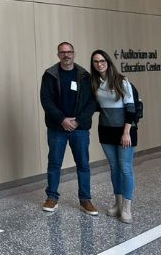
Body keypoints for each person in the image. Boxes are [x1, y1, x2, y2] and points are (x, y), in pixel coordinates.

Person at [39, 41, 97, 215]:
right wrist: (62, 119)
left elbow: (92, 102)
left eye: (69, 52)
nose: (66, 55)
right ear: (58, 55)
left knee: (83, 165)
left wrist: (77, 121)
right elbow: (46, 101)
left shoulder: (84, 76)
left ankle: (85, 200)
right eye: (62, 52)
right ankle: (52, 198)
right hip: (57, 128)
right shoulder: (50, 75)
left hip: (80, 129)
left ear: (74, 54)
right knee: (54, 164)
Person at [90, 49, 136, 223]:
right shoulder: (94, 83)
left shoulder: (121, 81)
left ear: (108, 62)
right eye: (95, 62)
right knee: (114, 168)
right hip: (106, 130)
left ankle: (127, 207)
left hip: (124, 131)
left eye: (102, 61)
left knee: (125, 168)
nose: (99, 64)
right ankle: (117, 203)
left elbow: (130, 108)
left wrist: (126, 132)